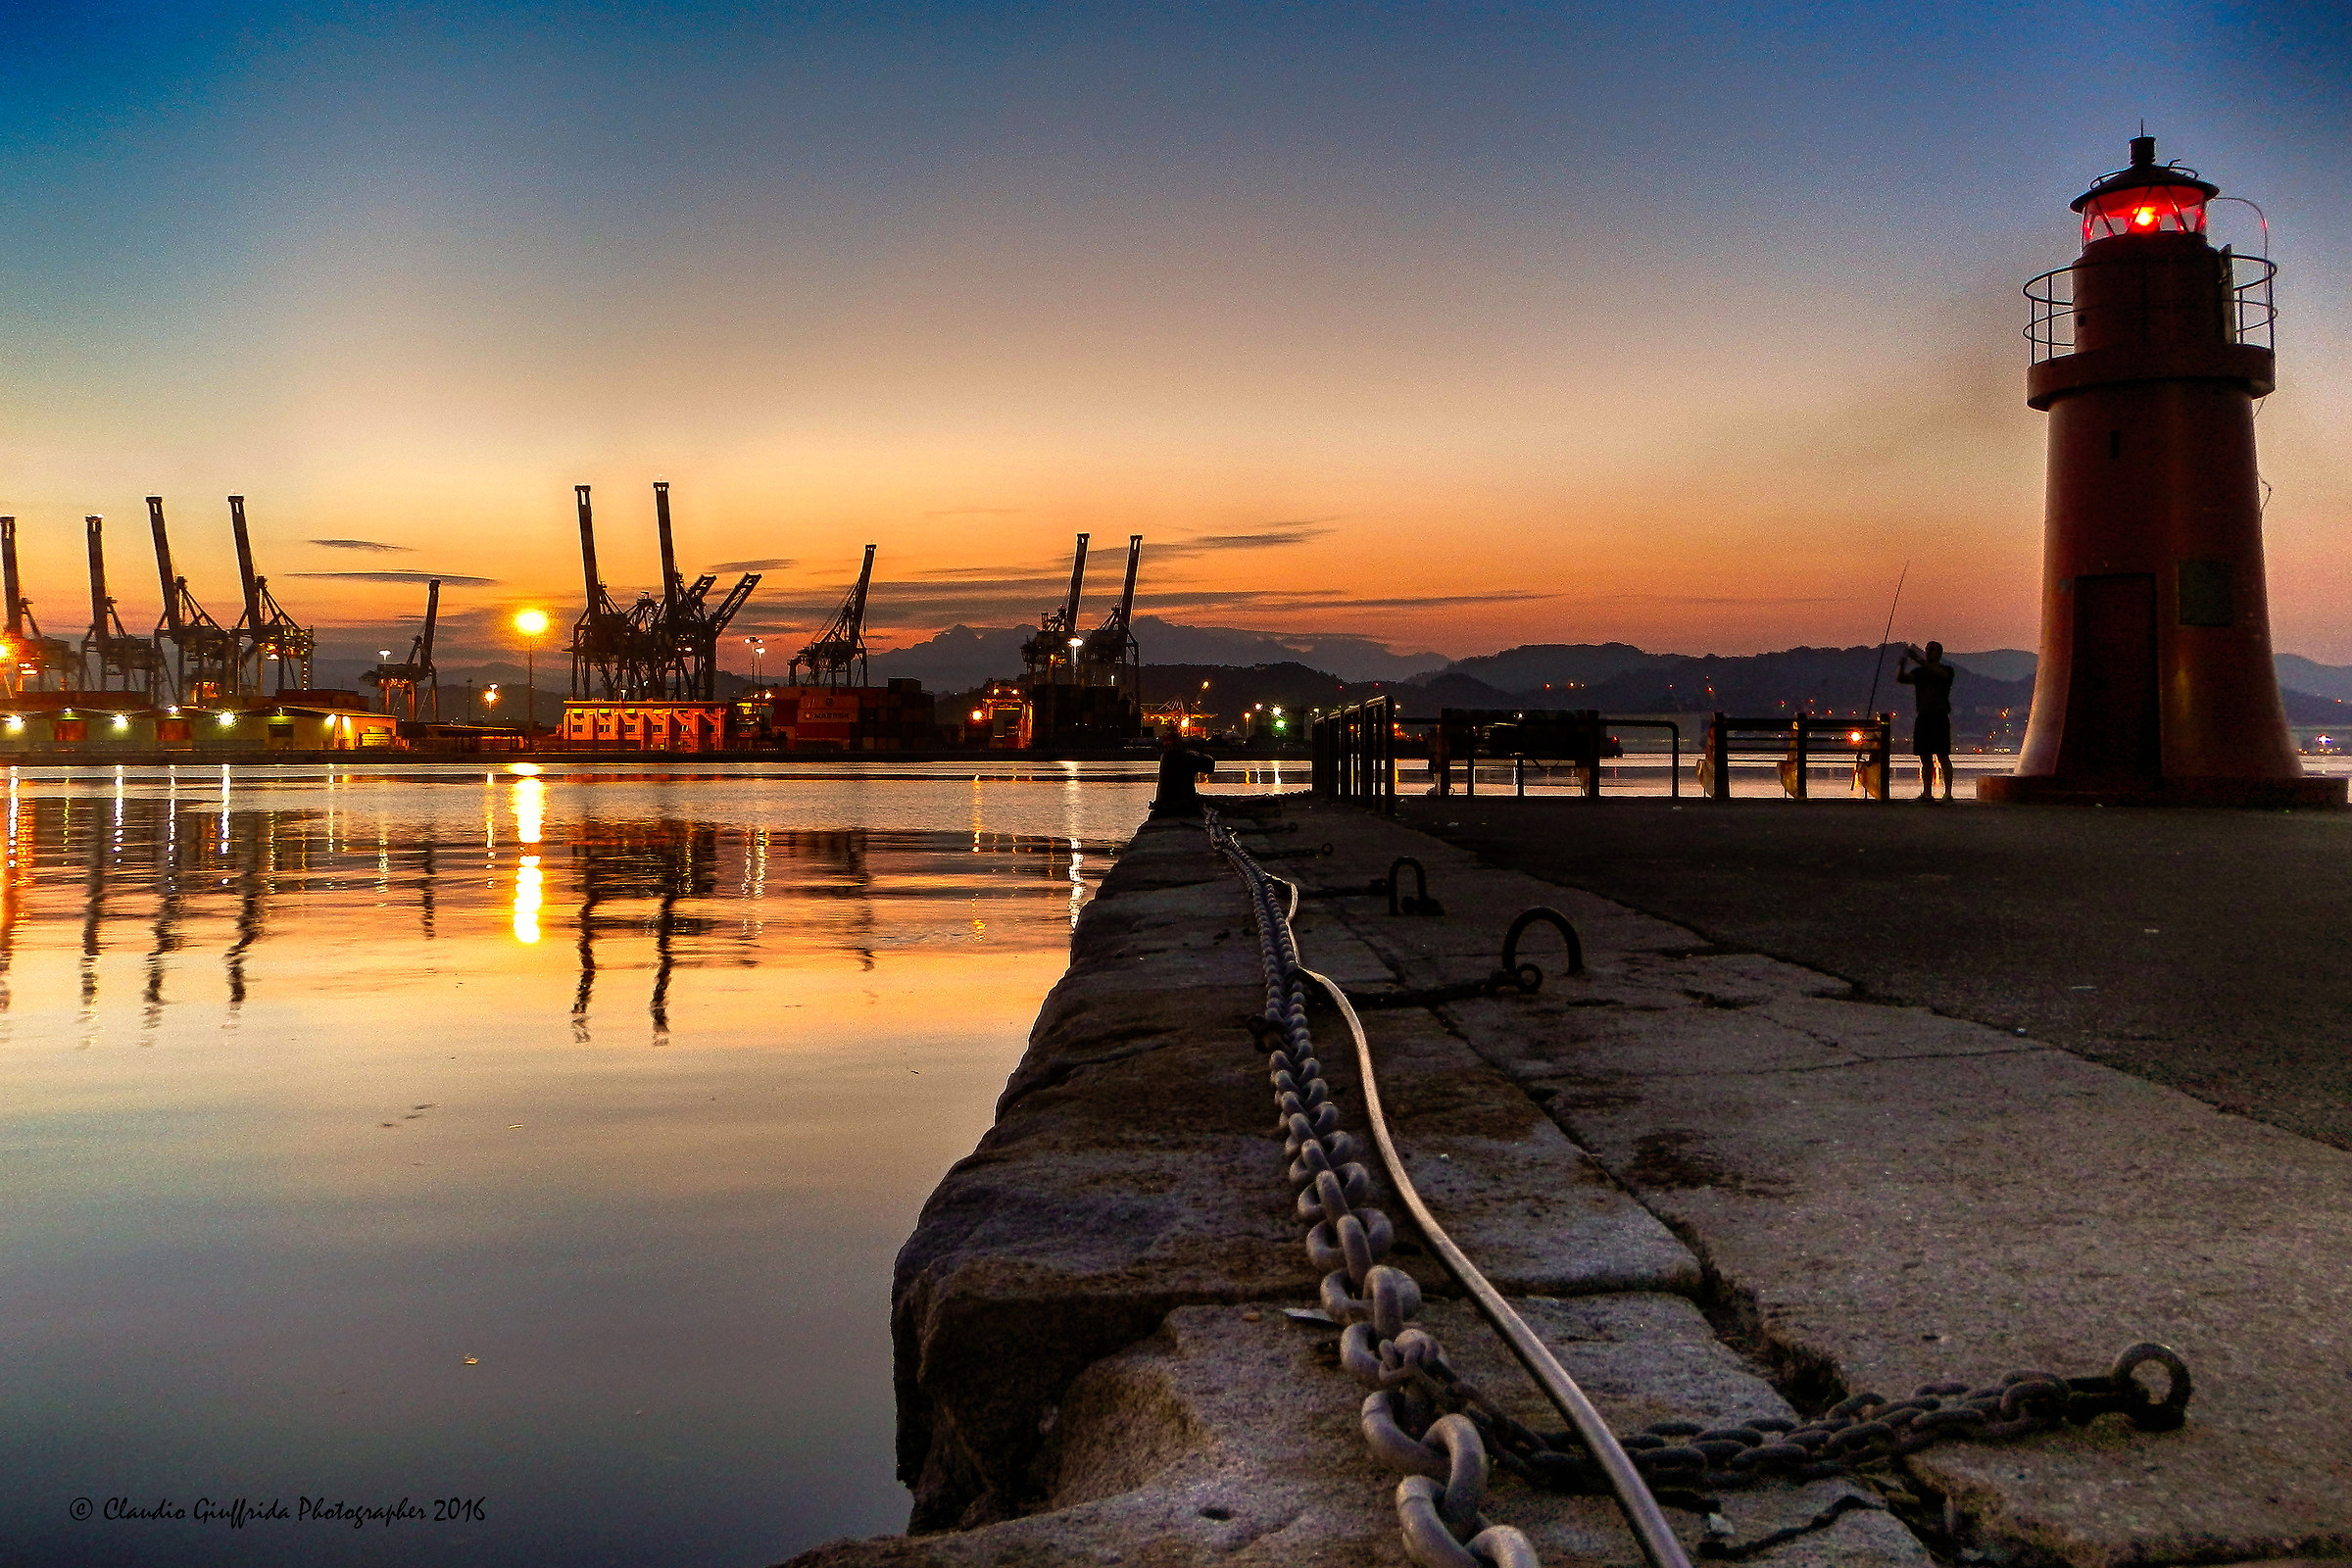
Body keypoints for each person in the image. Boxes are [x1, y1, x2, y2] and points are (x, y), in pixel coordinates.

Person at [1896, 641, 1957, 801]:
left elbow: (1940, 675)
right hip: (1923, 717)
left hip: (1939, 717)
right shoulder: (1920, 672)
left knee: (1943, 756)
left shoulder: (1947, 670)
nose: (1929, 652)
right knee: (1925, 757)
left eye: (1932, 650)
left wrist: (1917, 659)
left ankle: (1948, 793)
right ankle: (1927, 793)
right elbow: (1902, 679)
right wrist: (1902, 666)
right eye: (1927, 649)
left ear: (1940, 653)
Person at [1150, 729, 1217, 818]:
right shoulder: (1185, 758)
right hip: (1183, 806)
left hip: (1164, 806)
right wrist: (1195, 752)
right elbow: (1210, 765)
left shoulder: (1166, 757)